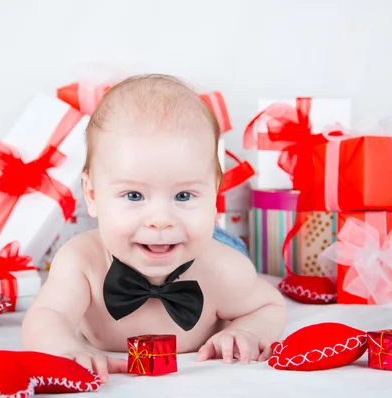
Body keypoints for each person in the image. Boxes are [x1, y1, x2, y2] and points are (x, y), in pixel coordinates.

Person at [21, 74, 286, 382]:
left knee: (229, 252)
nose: (160, 219)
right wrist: (63, 348)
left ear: (215, 195)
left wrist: (246, 331)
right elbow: (47, 316)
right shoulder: (81, 262)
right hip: (183, 239)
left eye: (183, 195)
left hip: (208, 241)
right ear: (92, 196)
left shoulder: (223, 268)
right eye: (134, 196)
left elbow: (269, 305)